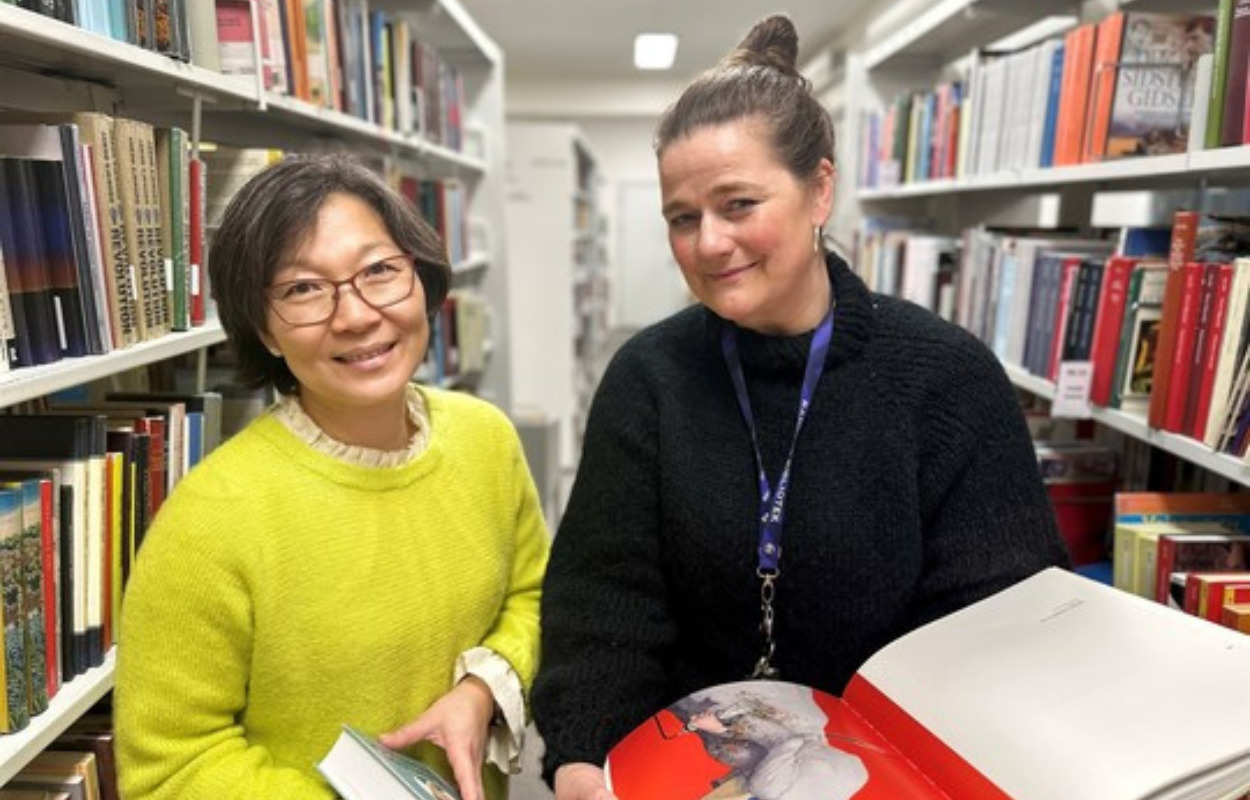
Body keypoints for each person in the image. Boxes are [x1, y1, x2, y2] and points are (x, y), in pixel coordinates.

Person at [531, 15, 1069, 800]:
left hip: (892, 775)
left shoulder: (946, 380)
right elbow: (604, 605)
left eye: (739, 203)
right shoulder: (648, 377)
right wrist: (581, 758)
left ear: (820, 188)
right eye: (682, 217)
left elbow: (999, 627)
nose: (709, 242)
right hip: (687, 770)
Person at [115, 154, 549, 800]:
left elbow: (534, 597)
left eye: (379, 271)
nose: (354, 316)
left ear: (421, 280)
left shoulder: (487, 440)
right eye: (303, 289)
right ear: (263, 330)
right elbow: (171, 767)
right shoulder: (210, 518)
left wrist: (483, 689)